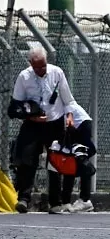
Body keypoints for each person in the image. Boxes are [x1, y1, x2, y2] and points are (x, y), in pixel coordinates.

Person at [8, 47, 75, 214]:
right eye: (37, 67)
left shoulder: (57, 73)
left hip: (55, 122)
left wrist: (70, 116)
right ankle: (24, 198)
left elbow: (68, 99)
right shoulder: (24, 76)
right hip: (33, 123)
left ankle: (55, 202)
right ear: (31, 64)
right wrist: (30, 117)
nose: (41, 70)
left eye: (43, 66)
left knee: (55, 162)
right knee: (27, 159)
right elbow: (16, 104)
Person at [52, 100, 96, 213]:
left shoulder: (56, 90)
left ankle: (85, 200)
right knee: (70, 161)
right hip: (77, 124)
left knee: (78, 160)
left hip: (79, 124)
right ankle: (66, 201)